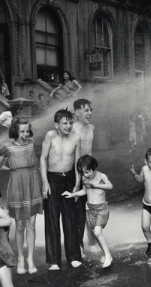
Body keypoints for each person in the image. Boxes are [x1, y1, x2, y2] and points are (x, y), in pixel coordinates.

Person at [0, 118, 43, 275]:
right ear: (15, 131)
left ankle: (30, 259)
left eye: (26, 131)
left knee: (31, 225)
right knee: (19, 226)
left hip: (32, 183)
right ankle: (20, 259)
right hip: (17, 184)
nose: (25, 134)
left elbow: (35, 163)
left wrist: (41, 184)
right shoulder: (8, 147)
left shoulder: (31, 143)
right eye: (21, 131)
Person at [40, 109, 82, 270]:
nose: (68, 126)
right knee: (52, 219)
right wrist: (44, 182)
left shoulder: (76, 138)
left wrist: (77, 185)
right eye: (65, 123)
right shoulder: (50, 136)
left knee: (70, 218)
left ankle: (73, 256)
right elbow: (43, 159)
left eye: (70, 123)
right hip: (52, 179)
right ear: (56, 125)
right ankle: (54, 260)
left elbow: (78, 163)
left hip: (69, 179)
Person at [62, 155, 113, 268]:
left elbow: (110, 186)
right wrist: (72, 194)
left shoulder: (101, 176)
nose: (85, 175)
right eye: (83, 173)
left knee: (97, 232)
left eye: (87, 172)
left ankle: (108, 256)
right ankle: (106, 254)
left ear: (93, 167)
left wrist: (97, 185)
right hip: (90, 210)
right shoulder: (85, 178)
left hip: (101, 209)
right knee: (96, 234)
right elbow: (84, 191)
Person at [72, 99, 98, 255]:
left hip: (90, 173)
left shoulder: (92, 127)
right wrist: (77, 180)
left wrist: (93, 174)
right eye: (86, 110)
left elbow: (90, 152)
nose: (89, 113)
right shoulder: (73, 129)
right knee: (78, 211)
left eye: (91, 110)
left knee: (92, 208)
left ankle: (92, 241)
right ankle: (79, 245)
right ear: (77, 112)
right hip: (76, 173)